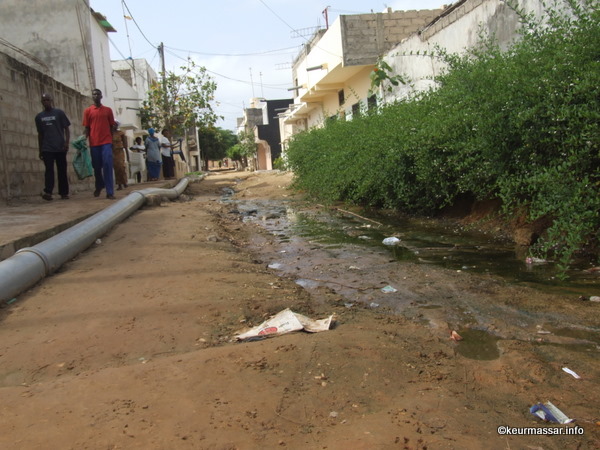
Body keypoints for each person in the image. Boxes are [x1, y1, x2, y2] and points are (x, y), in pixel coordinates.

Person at [35, 93, 71, 200]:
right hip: (47, 148)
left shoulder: (59, 113)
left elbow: (66, 129)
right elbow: (40, 134)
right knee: (49, 170)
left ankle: (64, 193)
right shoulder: (39, 117)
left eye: (47, 100)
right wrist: (40, 150)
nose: (46, 102)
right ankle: (48, 192)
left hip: (60, 147)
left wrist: (66, 143)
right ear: (41, 102)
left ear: (51, 101)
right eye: (44, 100)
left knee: (62, 170)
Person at [83, 88, 116, 199]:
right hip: (94, 143)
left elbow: (111, 126)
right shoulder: (88, 111)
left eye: (98, 94)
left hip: (106, 142)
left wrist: (112, 141)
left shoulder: (108, 110)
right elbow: (87, 128)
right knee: (96, 167)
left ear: (101, 96)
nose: (96, 96)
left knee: (107, 165)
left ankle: (110, 192)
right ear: (92, 97)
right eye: (94, 94)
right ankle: (99, 184)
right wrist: (83, 139)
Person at [112, 121, 128, 190]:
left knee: (121, 167)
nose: (114, 126)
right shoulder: (109, 134)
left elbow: (125, 145)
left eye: (115, 125)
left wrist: (127, 155)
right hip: (113, 152)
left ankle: (124, 182)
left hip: (120, 151)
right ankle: (119, 184)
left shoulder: (121, 133)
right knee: (116, 168)